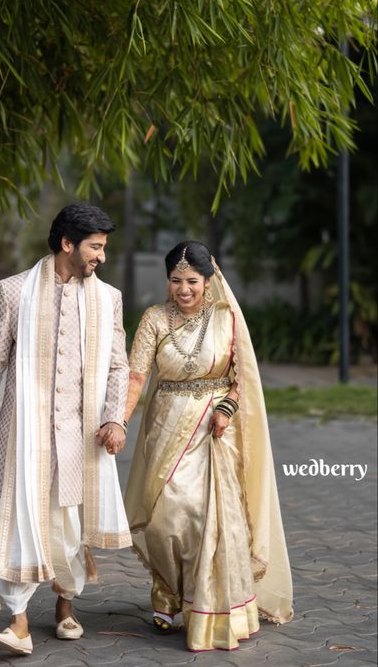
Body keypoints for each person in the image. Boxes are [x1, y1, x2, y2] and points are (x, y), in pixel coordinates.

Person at [0, 202, 131, 656]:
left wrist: (115, 417)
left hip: (81, 434)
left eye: (103, 247)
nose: (101, 256)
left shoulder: (107, 298)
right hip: (20, 430)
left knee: (69, 521)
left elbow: (119, 365)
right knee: (0, 511)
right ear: (67, 244)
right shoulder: (14, 291)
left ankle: (65, 603)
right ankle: (18, 621)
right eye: (95, 247)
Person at [123, 241, 293, 652]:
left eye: (192, 281)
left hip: (214, 431)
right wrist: (119, 421)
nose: (184, 289)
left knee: (206, 518)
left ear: (208, 281)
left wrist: (226, 409)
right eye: (176, 280)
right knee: (166, 521)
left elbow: (241, 379)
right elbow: (135, 377)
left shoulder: (225, 319)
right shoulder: (153, 320)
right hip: (165, 426)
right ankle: (167, 588)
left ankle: (211, 608)